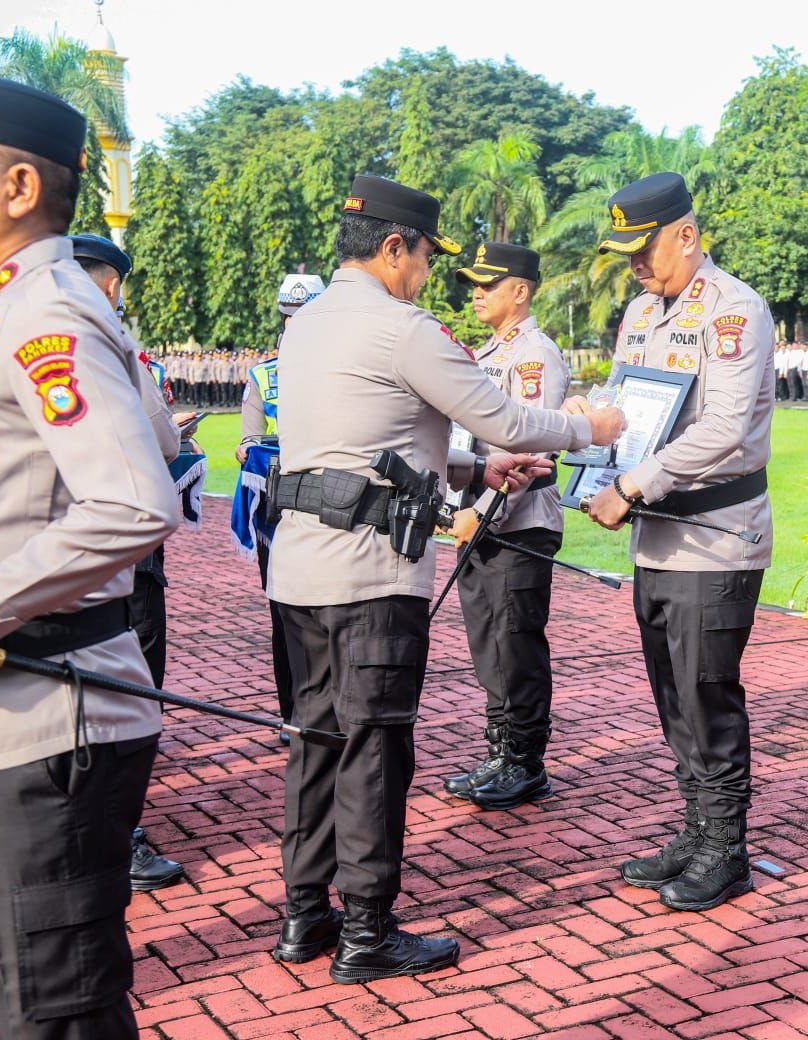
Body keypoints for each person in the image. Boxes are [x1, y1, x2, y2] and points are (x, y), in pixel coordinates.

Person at [265, 174, 624, 984]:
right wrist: (588, 427)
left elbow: (366, 442)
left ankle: (304, 915)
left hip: (299, 571)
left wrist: (471, 467)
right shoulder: (403, 327)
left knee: (316, 740)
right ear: (395, 247)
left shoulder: (309, 322)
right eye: (426, 255)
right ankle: (367, 930)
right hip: (370, 578)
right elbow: (508, 415)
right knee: (375, 748)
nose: (428, 272)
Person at [0, 75, 182, 1040]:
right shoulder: (8, 308)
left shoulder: (45, 311)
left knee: (52, 1013)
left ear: (19, 188)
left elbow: (135, 498)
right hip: (13, 710)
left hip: (51, 718)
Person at [585, 171, 775, 912]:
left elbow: (725, 429)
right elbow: (625, 399)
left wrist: (631, 486)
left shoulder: (733, 311)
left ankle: (726, 848)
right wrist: (586, 431)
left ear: (687, 236)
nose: (635, 263)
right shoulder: (642, 310)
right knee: (672, 694)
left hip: (714, 535)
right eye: (626, 250)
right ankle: (695, 830)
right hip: (659, 538)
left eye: (645, 248)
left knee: (706, 693)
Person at [68, 232, 191, 895]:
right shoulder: (105, 339)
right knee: (131, 697)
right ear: (110, 284)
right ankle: (122, 837)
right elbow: (163, 434)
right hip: (122, 551)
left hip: (42, 556)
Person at [441, 243, 570, 810]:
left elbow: (529, 449)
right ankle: (499, 749)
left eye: (488, 284)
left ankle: (525, 761)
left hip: (517, 522)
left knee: (515, 645)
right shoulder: (486, 352)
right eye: (474, 283)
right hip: (481, 518)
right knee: (488, 644)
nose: (476, 292)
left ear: (520, 291)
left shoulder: (534, 357)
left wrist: (480, 513)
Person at [235, 272, 323, 732]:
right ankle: (294, 713)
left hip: (335, 506)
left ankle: (326, 713)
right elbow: (251, 437)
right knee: (285, 612)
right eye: (290, 317)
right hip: (281, 508)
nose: (295, 325)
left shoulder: (343, 365)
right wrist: (249, 447)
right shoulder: (263, 375)